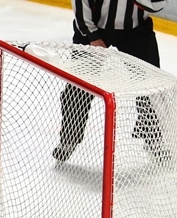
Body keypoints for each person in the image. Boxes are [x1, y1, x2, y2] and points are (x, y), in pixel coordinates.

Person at [53, 0, 168, 162]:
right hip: (95, 27)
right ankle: (69, 138)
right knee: (79, 86)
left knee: (151, 86)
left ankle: (152, 135)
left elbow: (158, 5)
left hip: (136, 31)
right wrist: (92, 35)